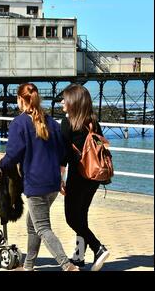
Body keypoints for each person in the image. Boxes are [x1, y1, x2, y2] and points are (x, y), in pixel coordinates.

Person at [0, 83, 79, 271]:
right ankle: (28, 266)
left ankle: (67, 265)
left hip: (35, 183)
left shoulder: (20, 123)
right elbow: (62, 152)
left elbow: (13, 155)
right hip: (52, 183)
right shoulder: (51, 121)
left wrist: (1, 164)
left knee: (42, 228)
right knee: (33, 225)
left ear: (20, 100)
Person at [60, 83, 110, 271]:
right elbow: (102, 145)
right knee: (81, 216)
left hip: (78, 174)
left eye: (65, 98)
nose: (62, 101)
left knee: (71, 218)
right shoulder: (92, 122)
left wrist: (60, 179)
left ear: (73, 101)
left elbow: (63, 155)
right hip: (95, 175)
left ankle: (97, 247)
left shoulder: (68, 122)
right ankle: (79, 257)